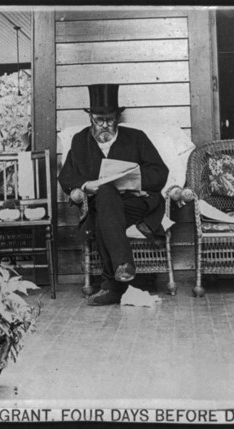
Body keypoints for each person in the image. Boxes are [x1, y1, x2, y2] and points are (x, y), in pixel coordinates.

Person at [58, 84, 169, 306]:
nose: (105, 125)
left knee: (103, 217)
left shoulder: (136, 137)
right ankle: (119, 274)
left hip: (136, 203)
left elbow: (160, 172)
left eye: (110, 119)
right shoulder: (80, 141)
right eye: (99, 120)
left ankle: (112, 285)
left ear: (117, 117)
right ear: (91, 119)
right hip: (102, 204)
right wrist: (85, 185)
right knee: (105, 199)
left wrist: (136, 181)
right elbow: (66, 177)